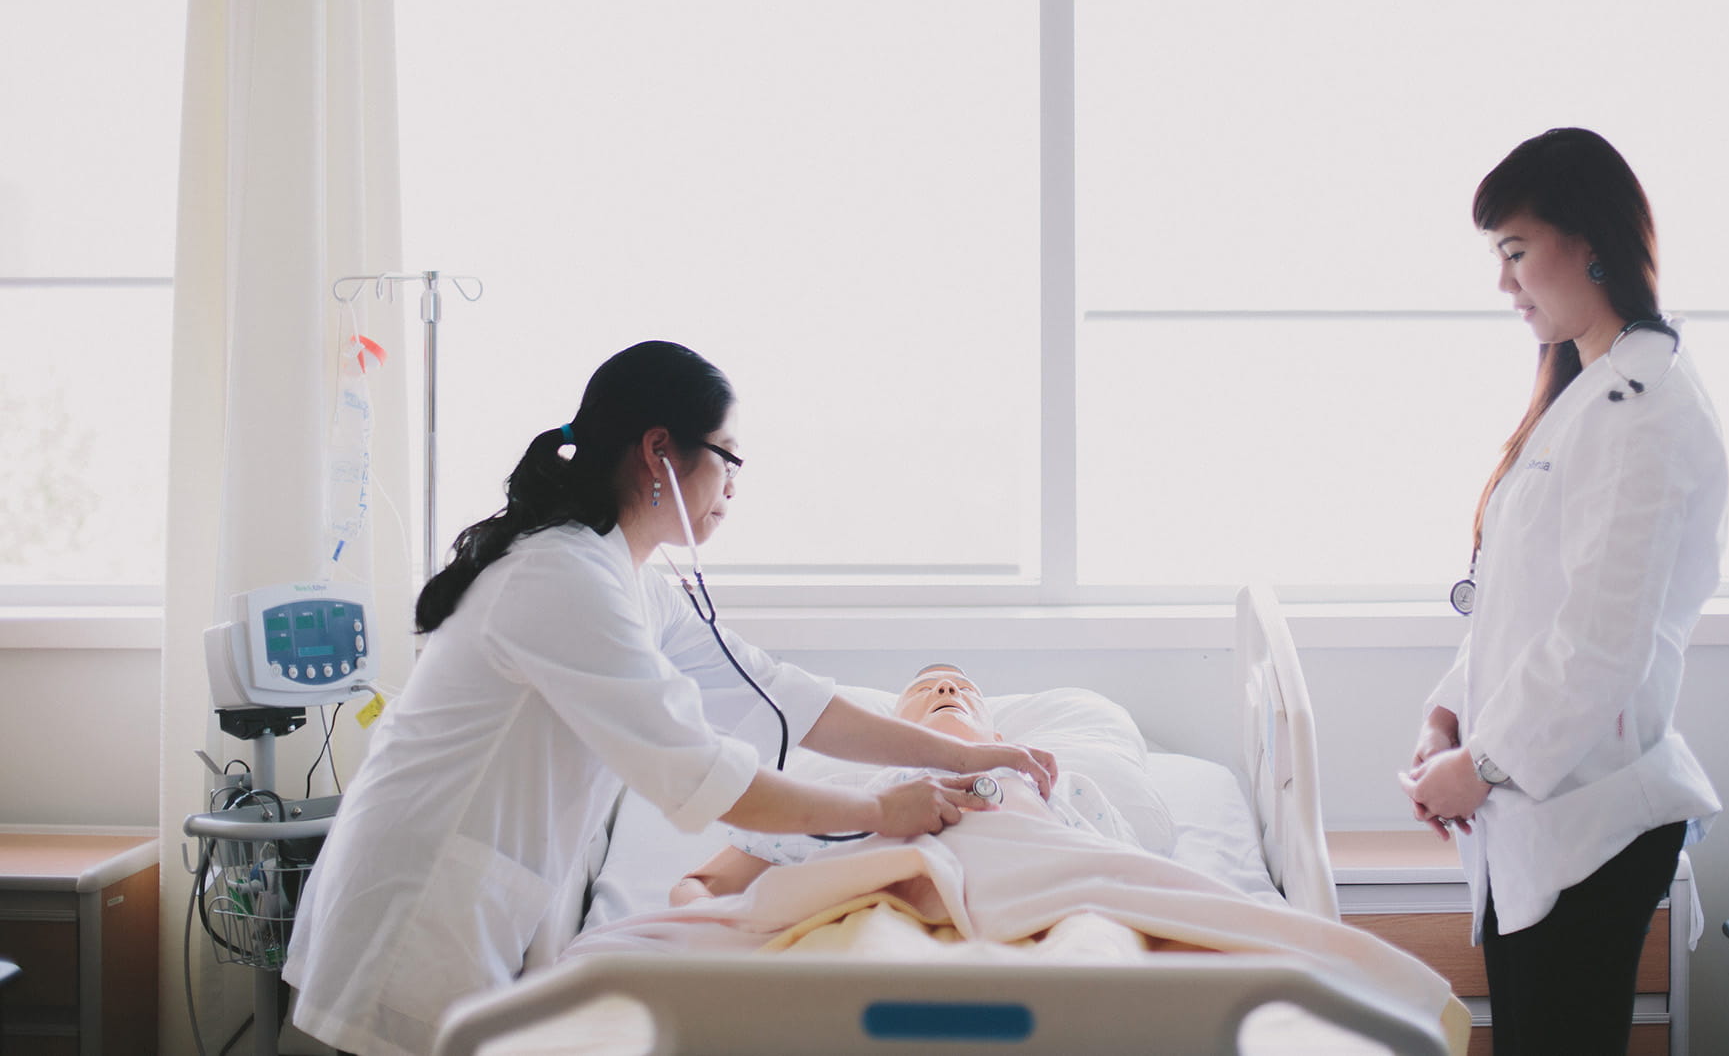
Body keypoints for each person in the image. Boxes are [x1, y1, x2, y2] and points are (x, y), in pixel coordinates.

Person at [282, 341, 1057, 1056]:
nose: (734, 487)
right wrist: (883, 811)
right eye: (729, 459)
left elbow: (783, 695)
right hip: (410, 919)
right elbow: (704, 777)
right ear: (659, 449)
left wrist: (971, 751)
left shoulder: (629, 580)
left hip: (470, 907)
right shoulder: (561, 579)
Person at [1397, 129, 1725, 1054]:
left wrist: (1485, 762)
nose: (1504, 283)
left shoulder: (1645, 408)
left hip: (1588, 817)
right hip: (1537, 810)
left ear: (1589, 242)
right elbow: (1519, 606)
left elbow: (1598, 644)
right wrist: (1447, 722)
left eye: (1513, 250)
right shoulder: (1585, 390)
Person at [670, 663, 1141, 905]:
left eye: (965, 691)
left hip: (1040, 925)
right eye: (923, 690)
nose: (946, 690)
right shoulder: (840, 804)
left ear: (999, 737)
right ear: (891, 732)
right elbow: (698, 886)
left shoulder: (1064, 790)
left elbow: (1136, 880)